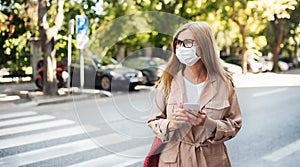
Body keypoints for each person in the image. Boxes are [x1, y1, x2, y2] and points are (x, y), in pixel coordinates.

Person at [145, 21, 242, 167]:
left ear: (204, 46)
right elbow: (153, 121)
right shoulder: (168, 81)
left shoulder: (224, 83)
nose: (181, 48)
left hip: (211, 161)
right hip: (174, 160)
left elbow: (234, 125)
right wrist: (171, 124)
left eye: (188, 43)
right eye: (178, 43)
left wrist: (207, 123)